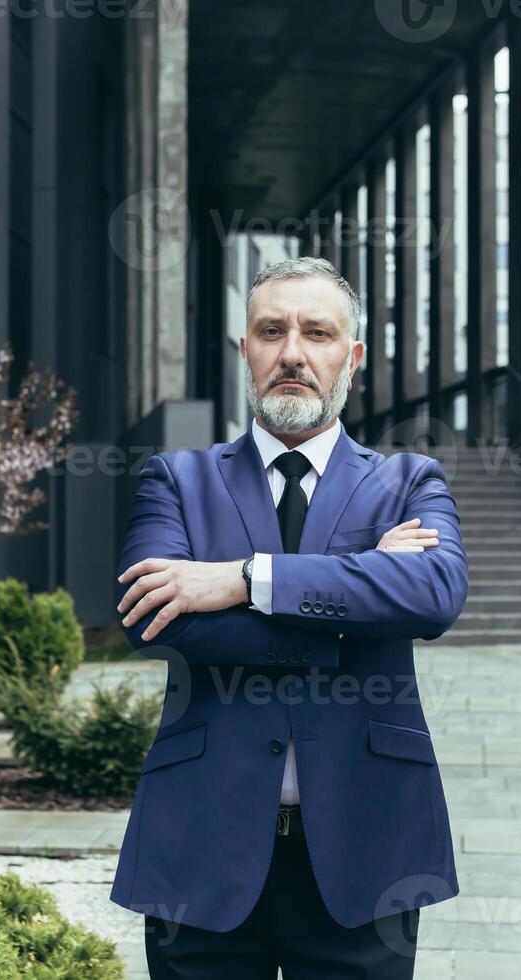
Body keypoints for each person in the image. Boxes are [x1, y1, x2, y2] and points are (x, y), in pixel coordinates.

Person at [109, 256, 468, 979]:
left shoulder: (408, 481)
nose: (293, 353)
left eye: (317, 333)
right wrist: (360, 600)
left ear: (352, 356)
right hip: (200, 842)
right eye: (271, 331)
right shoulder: (176, 480)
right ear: (245, 349)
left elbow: (432, 595)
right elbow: (157, 620)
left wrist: (245, 580)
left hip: (368, 847)